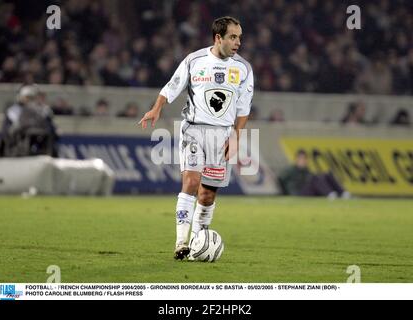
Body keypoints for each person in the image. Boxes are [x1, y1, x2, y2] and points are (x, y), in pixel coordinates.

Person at [139, 16, 254, 260]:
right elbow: (173, 85)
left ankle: (198, 241)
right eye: (233, 37)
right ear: (218, 38)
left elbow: (244, 109)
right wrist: (157, 108)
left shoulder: (243, 68)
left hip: (222, 134)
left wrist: (236, 137)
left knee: (207, 194)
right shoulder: (195, 60)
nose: (238, 43)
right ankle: (181, 242)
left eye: (240, 38)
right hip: (193, 129)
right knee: (191, 183)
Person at [0, 84, 59, 157]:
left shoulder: (43, 110)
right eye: (27, 97)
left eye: (31, 97)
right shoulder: (13, 111)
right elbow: (6, 131)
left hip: (39, 142)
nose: (29, 100)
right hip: (18, 144)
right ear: (20, 97)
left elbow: (52, 130)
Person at [278, 149, 350, 199]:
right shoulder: (291, 170)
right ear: (296, 159)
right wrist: (285, 192)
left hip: (308, 191)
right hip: (298, 193)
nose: (303, 161)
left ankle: (343, 193)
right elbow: (280, 179)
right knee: (315, 178)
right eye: (301, 158)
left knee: (327, 174)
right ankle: (329, 193)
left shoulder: (307, 170)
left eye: (305, 158)